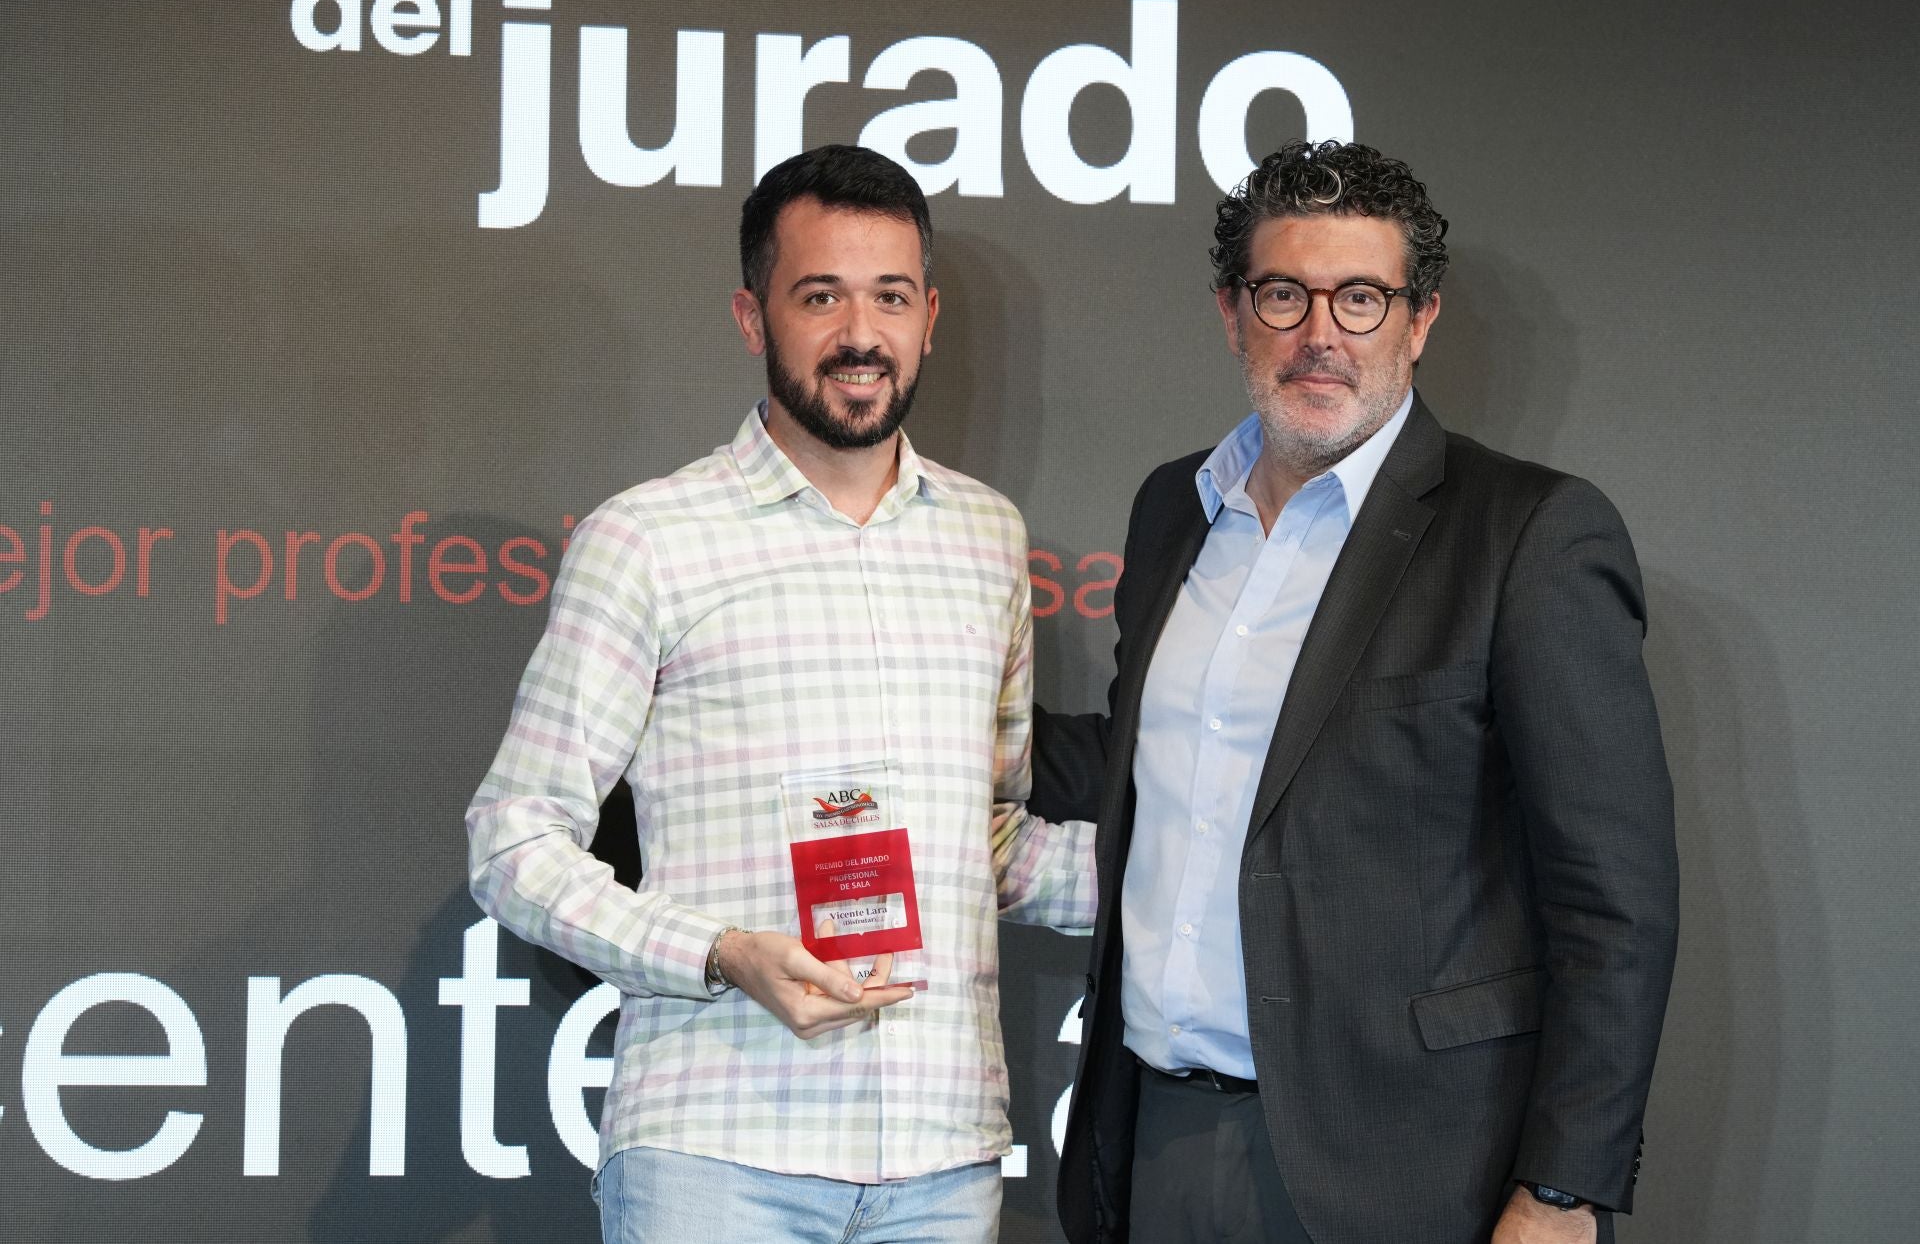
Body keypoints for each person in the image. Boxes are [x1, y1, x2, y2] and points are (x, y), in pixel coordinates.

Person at [1037, 140, 1679, 1244]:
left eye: (1362, 298)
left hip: (1414, 1169)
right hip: (1156, 1135)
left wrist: (1563, 1188)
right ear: (1233, 313)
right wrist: (932, 727)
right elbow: (1153, 754)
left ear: (1420, 320)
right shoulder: (1173, 510)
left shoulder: (1529, 535)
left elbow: (1613, 901)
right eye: (1286, 294)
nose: (1320, 333)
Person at [466, 144, 1095, 1244]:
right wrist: (718, 953)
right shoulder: (650, 539)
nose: (862, 332)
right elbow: (513, 841)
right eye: (821, 296)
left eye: (890, 296)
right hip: (721, 1151)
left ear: (930, 316)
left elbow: (986, 842)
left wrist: (1211, 880)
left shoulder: (988, 540)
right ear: (754, 317)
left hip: (942, 1156)